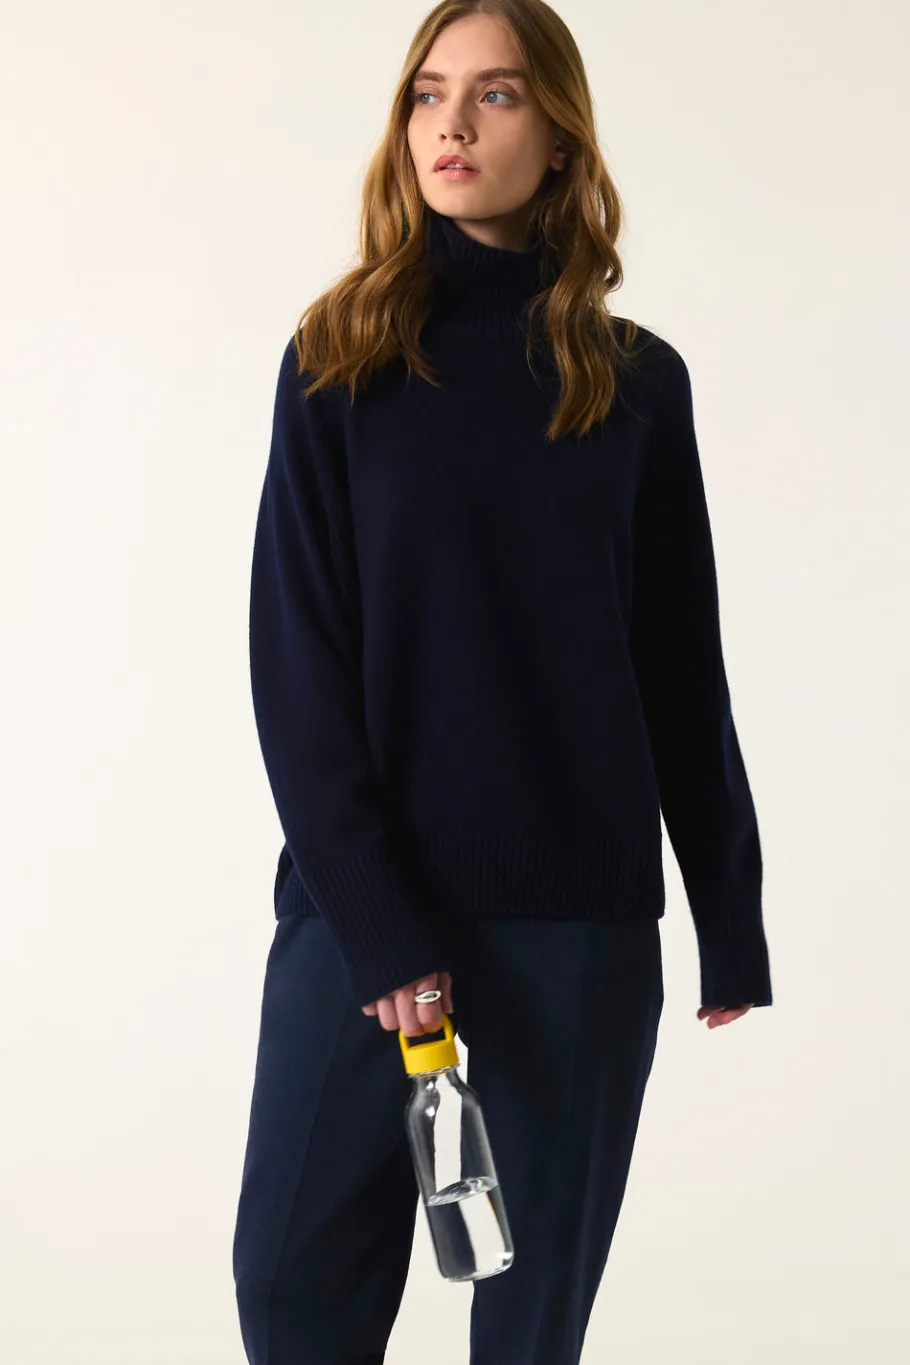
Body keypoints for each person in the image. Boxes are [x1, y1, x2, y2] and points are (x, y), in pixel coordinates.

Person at [232, 2, 773, 1362]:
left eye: (496, 95)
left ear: (561, 136)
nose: (453, 127)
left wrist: (728, 906)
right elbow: (297, 666)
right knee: (291, 1289)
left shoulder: (637, 383)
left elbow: (677, 658)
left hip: (577, 917)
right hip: (369, 911)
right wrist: (377, 928)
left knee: (530, 1330)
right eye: (427, 95)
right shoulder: (340, 360)